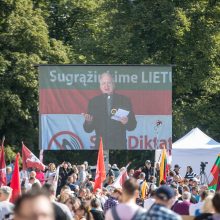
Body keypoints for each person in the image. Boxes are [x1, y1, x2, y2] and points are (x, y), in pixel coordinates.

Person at [83, 72, 137, 149]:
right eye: (103, 83)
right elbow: (88, 129)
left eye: (109, 83)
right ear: (100, 86)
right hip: (100, 146)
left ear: (114, 84)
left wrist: (127, 122)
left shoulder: (124, 100)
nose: (106, 86)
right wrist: (89, 122)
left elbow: (132, 126)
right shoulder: (94, 102)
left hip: (119, 146)